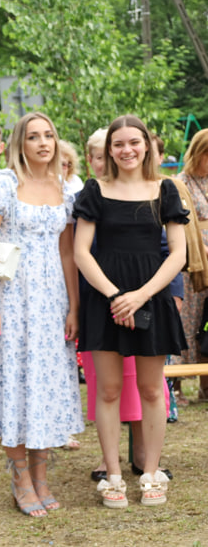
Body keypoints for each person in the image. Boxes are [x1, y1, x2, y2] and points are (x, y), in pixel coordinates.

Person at [73, 114, 188, 508]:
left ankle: (152, 473)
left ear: (147, 146)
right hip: (104, 300)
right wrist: (113, 295)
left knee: (153, 389)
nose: (127, 150)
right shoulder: (95, 190)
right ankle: (113, 475)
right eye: (118, 144)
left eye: (134, 142)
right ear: (109, 150)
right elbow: (80, 251)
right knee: (107, 390)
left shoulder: (165, 190)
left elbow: (178, 255)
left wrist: (139, 296)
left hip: (150, 297)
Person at [0, 111, 83, 517]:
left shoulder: (64, 188)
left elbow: (68, 251)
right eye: (34, 136)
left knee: (45, 385)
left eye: (49, 135)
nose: (43, 142)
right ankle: (20, 478)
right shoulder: (5, 184)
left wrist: (74, 306)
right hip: (12, 299)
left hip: (51, 300)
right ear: (20, 143)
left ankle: (41, 476)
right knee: (16, 384)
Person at [174, 128, 208, 404]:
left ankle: (205, 386)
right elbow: (182, 225)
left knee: (206, 324)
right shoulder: (180, 182)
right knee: (186, 321)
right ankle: (174, 384)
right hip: (192, 259)